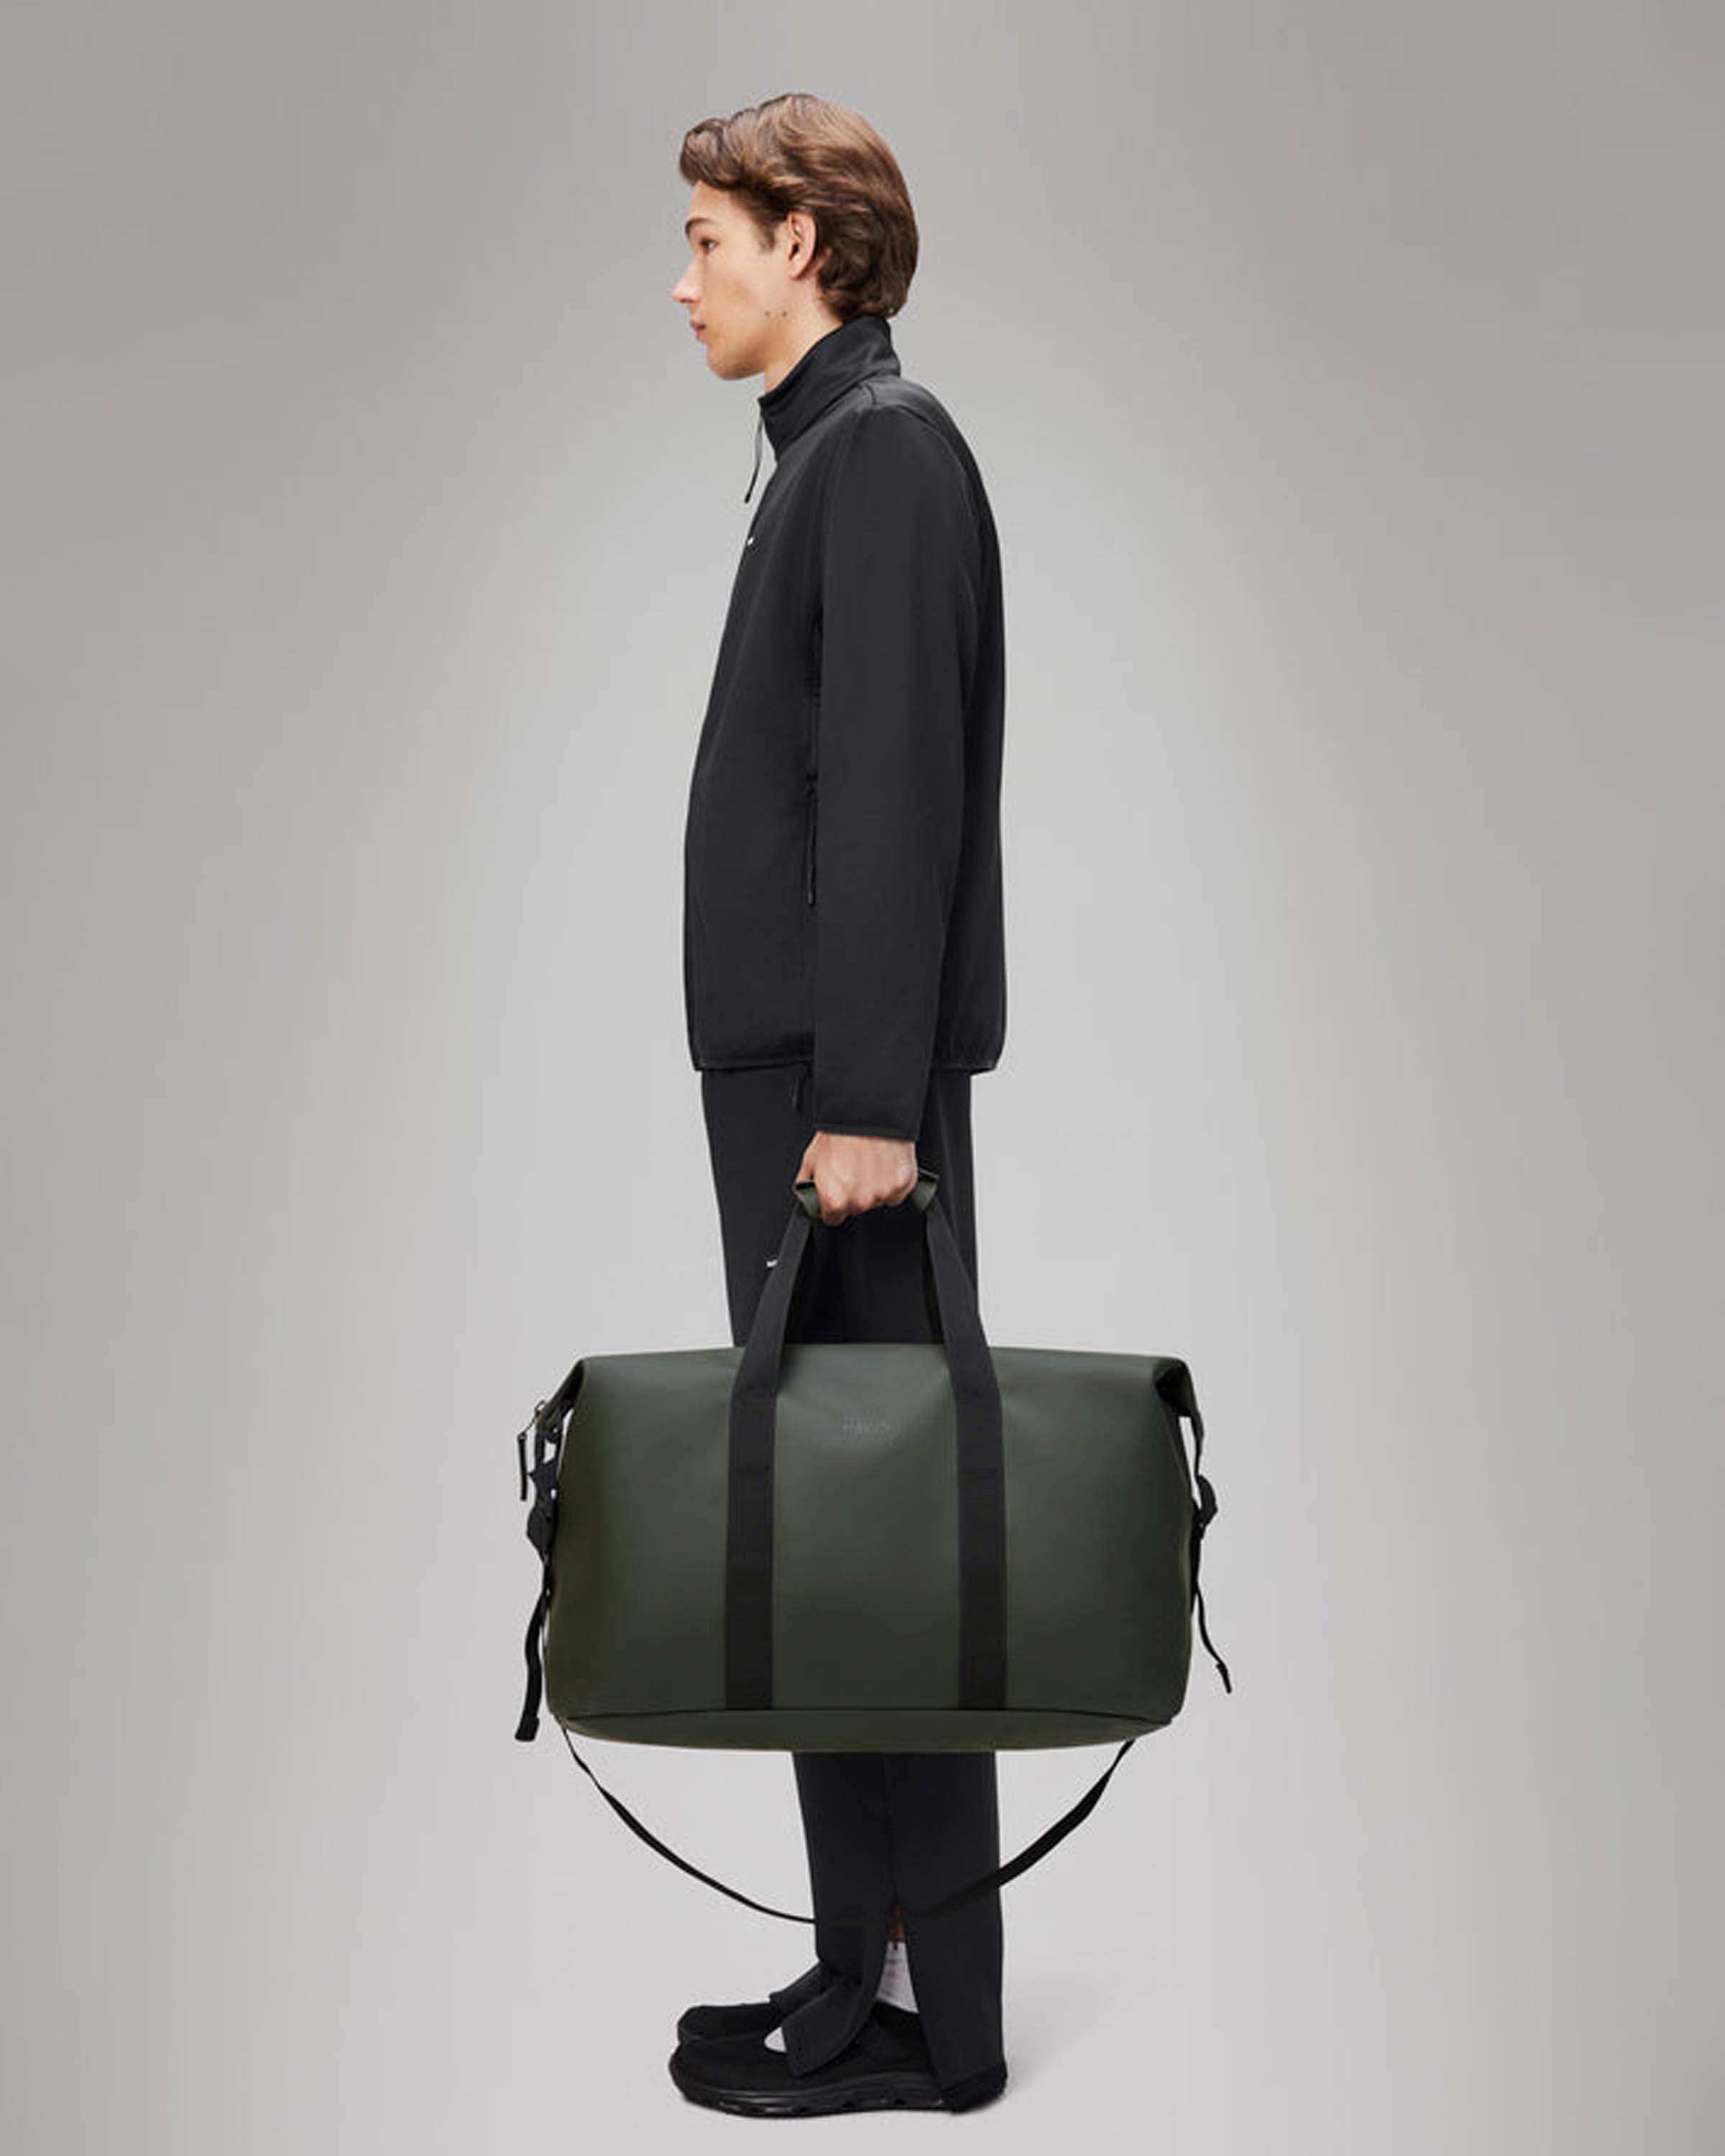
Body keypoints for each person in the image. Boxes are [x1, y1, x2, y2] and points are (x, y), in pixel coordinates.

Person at [665, 92, 1011, 2119]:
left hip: (838, 1111)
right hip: (801, 1085)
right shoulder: (826, 453)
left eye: (708, 240)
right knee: (834, 1537)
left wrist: (873, 1100)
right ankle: (854, 1972)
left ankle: (933, 2023)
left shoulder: (878, 455)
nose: (684, 281)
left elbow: (895, 794)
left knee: (879, 1546)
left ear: (804, 244)